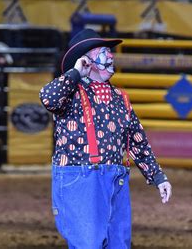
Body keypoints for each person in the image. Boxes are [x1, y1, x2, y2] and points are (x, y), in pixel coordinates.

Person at [39, 29, 172, 248]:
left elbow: (136, 139)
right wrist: (75, 73)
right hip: (80, 178)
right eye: (103, 52)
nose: (110, 56)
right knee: (88, 244)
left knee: (118, 243)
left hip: (114, 178)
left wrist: (157, 176)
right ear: (86, 61)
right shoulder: (70, 91)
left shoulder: (120, 97)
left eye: (110, 52)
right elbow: (48, 98)